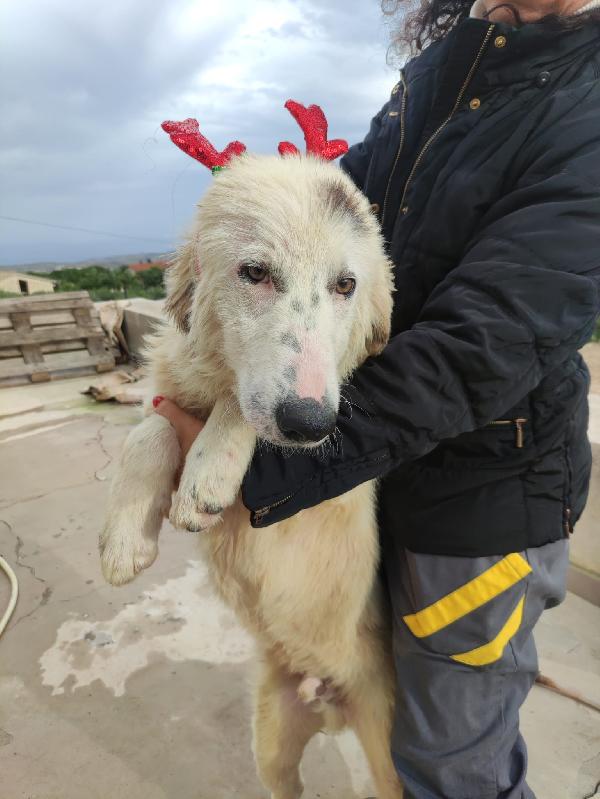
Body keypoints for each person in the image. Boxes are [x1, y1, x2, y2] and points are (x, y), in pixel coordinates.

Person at [154, 1, 600, 796]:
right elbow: (337, 218)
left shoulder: (588, 98)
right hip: (379, 476)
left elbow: (488, 342)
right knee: (386, 707)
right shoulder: (449, 63)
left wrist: (274, 462)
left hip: (478, 498)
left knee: (449, 762)